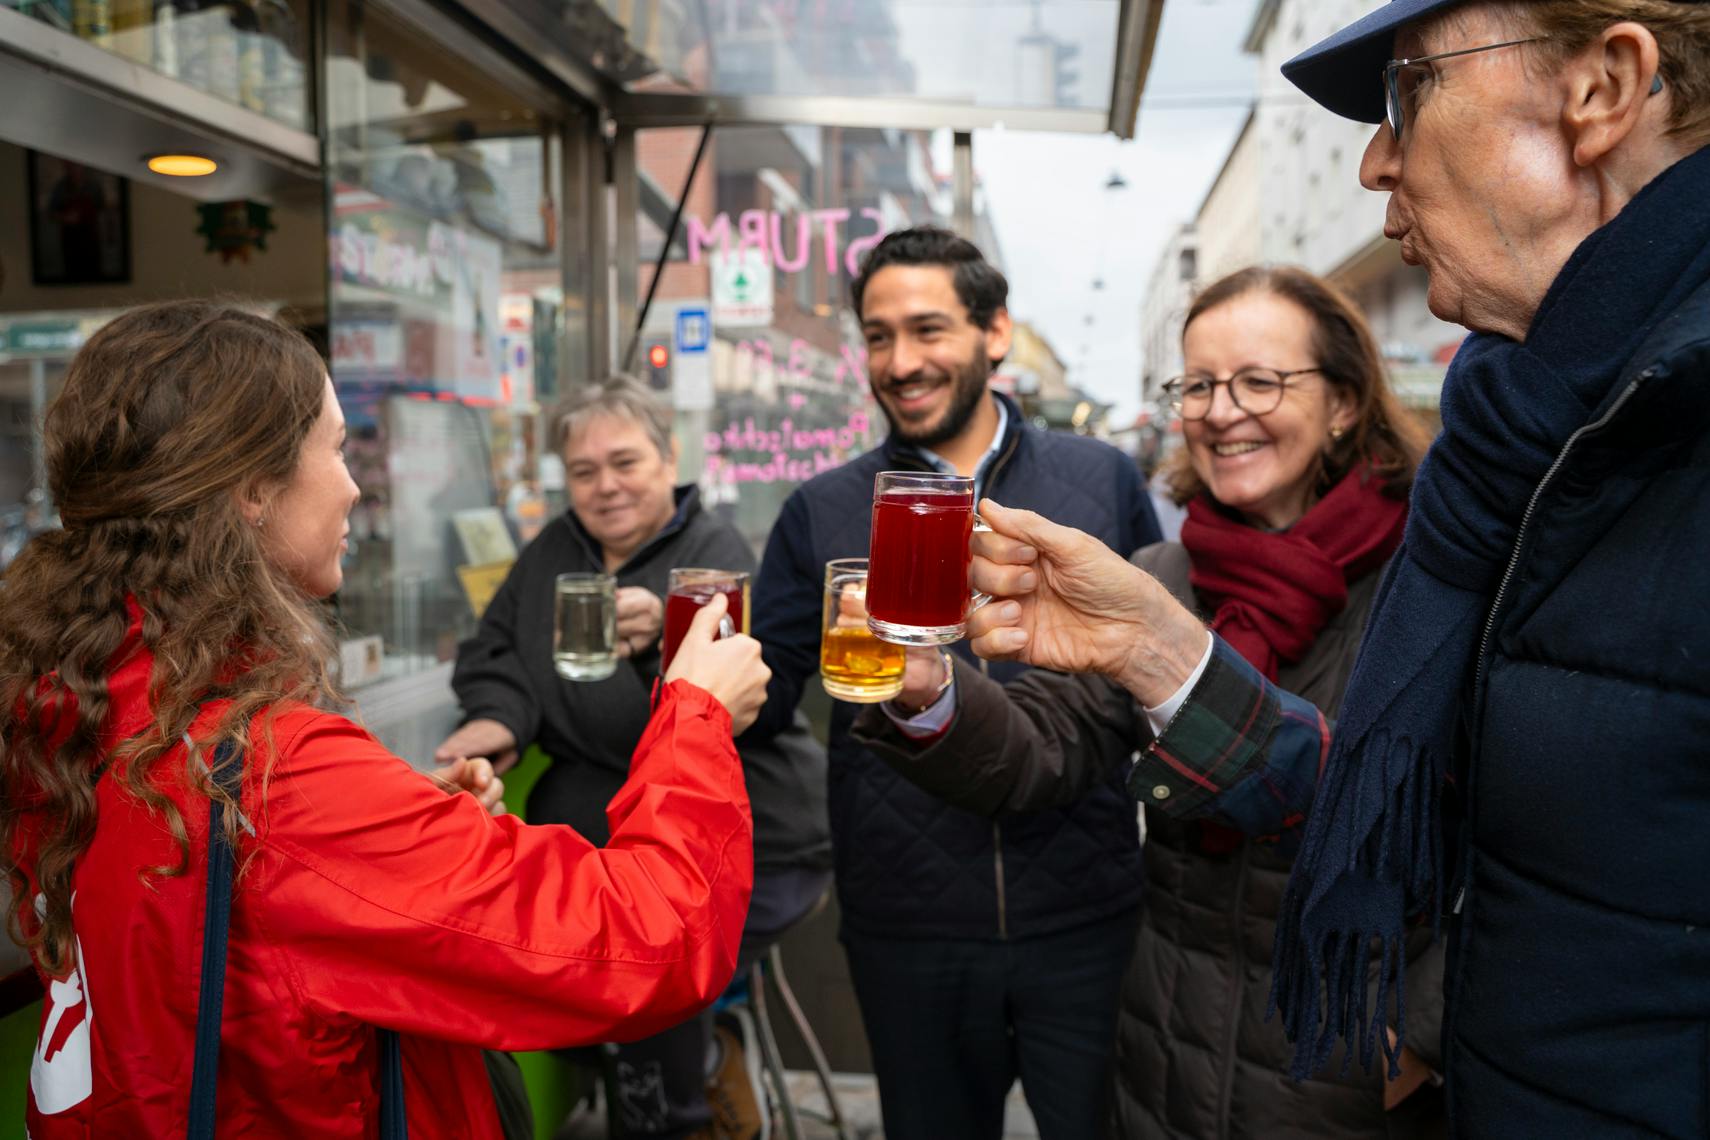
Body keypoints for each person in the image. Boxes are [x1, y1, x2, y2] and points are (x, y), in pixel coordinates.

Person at [937, 2, 1710, 1134]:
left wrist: (1424, 1026)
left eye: (1410, 90)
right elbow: (1453, 822)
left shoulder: (1481, 509)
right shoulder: (1509, 462)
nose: (1373, 160)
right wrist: (1101, 655)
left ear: (1603, 88)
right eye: (1199, 386)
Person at [0, 301, 770, 1139]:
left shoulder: (79, 699)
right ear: (253, 489)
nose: (356, 485)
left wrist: (406, 827)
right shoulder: (279, 777)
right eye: (335, 448)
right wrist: (695, 716)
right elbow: (648, 941)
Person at [857, 265, 1447, 1138]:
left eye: (1259, 381)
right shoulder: (1166, 572)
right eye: (1198, 385)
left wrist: (1424, 1034)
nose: (1220, 411)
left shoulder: (1432, 576)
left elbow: (1507, 834)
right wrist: (931, 690)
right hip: (1169, 1044)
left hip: (1342, 1059)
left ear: (1346, 402)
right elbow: (1044, 746)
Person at [745, 226, 1163, 1140]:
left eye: (927, 329)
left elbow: (1155, 671)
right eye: (878, 336)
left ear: (994, 332)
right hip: (908, 919)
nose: (900, 362)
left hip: (1084, 908)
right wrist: (689, 661)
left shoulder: (1099, 478)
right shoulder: (821, 507)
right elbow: (765, 696)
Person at [437, 376, 831, 1140]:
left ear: (669, 458)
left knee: (646, 970)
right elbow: (493, 653)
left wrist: (658, 647)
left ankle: (682, 1103)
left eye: (625, 463)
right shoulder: (553, 551)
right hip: (615, 847)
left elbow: (714, 718)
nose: (605, 486)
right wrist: (501, 717)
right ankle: (694, 1069)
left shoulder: (710, 558)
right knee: (586, 959)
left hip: (748, 842)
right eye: (584, 471)